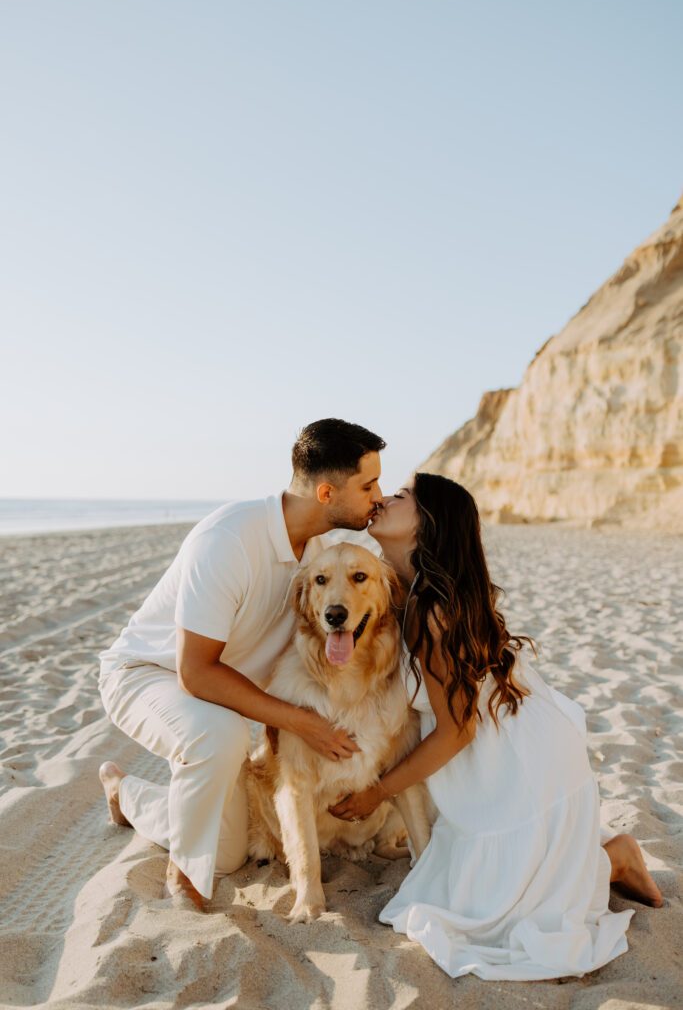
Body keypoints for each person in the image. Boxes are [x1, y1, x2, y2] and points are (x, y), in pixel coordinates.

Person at [330, 473, 663, 981]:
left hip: (515, 772)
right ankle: (600, 858)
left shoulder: (430, 611)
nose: (384, 498)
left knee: (485, 922)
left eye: (401, 497)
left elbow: (456, 732)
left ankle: (614, 858)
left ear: (427, 524)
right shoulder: (410, 591)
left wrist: (378, 791)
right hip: (526, 748)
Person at [98, 418, 384, 910]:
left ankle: (125, 794)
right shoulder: (229, 539)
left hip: (222, 701)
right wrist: (301, 723)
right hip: (152, 675)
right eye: (367, 485)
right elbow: (195, 671)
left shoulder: (323, 554)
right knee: (220, 737)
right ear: (324, 491)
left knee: (228, 854)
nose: (377, 496)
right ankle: (184, 882)